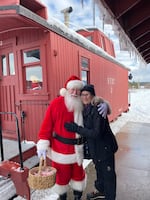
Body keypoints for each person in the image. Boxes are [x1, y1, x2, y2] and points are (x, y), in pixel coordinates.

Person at [36, 76, 110, 200]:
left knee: (78, 177)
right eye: (72, 89)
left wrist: (105, 105)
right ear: (67, 89)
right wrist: (43, 142)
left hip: (78, 152)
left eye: (77, 90)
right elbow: (46, 125)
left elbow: (95, 101)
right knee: (61, 180)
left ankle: (77, 197)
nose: (75, 93)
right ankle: (62, 197)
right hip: (61, 151)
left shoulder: (83, 103)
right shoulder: (56, 104)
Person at [65, 84, 118, 200]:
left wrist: (76, 128)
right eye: (82, 95)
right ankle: (101, 191)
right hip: (96, 149)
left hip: (105, 148)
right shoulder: (85, 109)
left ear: (92, 95)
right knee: (99, 171)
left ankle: (110, 197)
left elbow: (96, 133)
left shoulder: (98, 109)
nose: (84, 97)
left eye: (87, 94)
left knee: (108, 175)